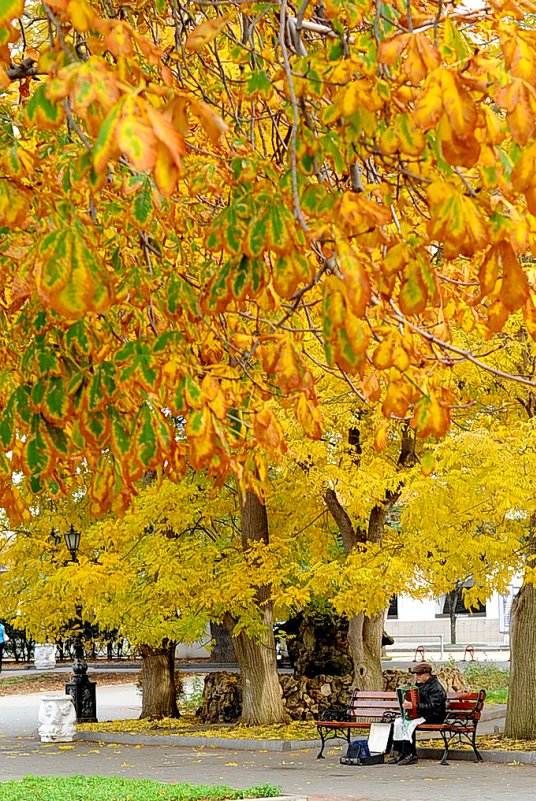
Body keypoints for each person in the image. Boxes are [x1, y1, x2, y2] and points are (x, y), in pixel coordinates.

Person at [388, 662, 446, 765]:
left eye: (419, 675)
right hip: (421, 714)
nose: (416, 677)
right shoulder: (419, 685)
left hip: (433, 716)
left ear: (427, 675)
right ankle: (401, 753)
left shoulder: (436, 688)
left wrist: (414, 706)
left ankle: (410, 754)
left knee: (409, 723)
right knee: (398, 722)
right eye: (416, 674)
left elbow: (433, 706)